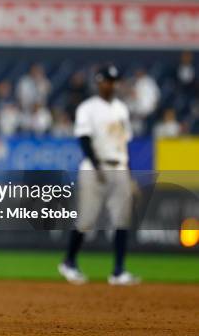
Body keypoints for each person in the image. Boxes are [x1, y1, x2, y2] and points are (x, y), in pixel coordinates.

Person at [59, 66, 140, 286]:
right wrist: (96, 165)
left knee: (121, 220)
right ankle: (69, 262)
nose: (111, 84)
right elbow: (84, 139)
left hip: (119, 166)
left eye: (114, 81)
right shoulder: (88, 108)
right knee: (86, 219)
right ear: (98, 82)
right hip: (94, 167)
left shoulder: (121, 109)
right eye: (107, 80)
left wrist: (129, 174)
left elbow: (123, 144)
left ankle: (118, 271)